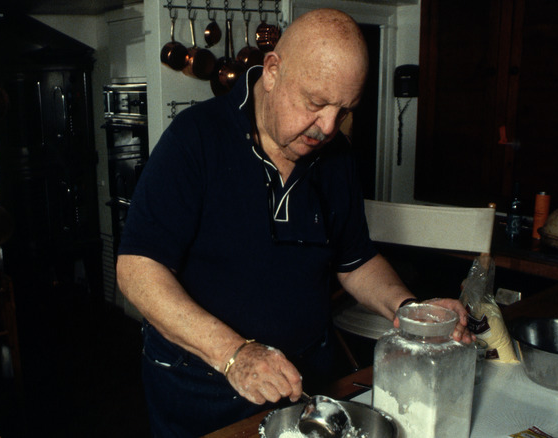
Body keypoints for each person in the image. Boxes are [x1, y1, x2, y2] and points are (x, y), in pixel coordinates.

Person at [116, 8, 473, 437]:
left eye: (344, 110)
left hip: (304, 386)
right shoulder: (195, 138)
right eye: (316, 103)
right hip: (201, 390)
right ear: (272, 71)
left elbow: (356, 262)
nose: (328, 127)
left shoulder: (337, 157)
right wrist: (234, 355)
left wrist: (411, 311)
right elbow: (136, 270)